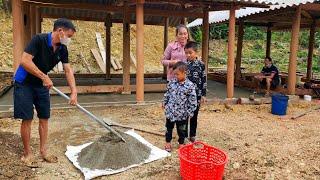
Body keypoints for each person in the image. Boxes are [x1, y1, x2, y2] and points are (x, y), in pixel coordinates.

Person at [13, 18, 78, 166]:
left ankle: (43, 151)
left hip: (41, 84)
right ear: (60, 31)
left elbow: (68, 70)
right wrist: (44, 76)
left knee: (44, 117)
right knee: (27, 118)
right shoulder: (39, 40)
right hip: (24, 83)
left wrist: (73, 91)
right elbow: (25, 60)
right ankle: (27, 154)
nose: (69, 40)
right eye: (69, 36)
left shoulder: (62, 48)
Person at [162, 62, 197, 152]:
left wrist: (190, 112)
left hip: (182, 114)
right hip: (171, 111)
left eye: (177, 74)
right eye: (174, 74)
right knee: (168, 128)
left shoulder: (190, 86)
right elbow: (167, 94)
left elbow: (193, 101)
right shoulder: (171, 83)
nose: (176, 76)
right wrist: (164, 102)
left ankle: (181, 143)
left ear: (184, 73)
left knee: (182, 130)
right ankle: (167, 143)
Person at [185, 41, 207, 142]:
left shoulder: (201, 65)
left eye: (190, 52)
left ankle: (192, 135)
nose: (188, 55)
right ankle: (184, 135)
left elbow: (204, 79)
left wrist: (203, 95)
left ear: (196, 52)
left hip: (197, 95)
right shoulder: (184, 65)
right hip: (185, 95)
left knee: (194, 115)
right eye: (186, 53)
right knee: (184, 115)